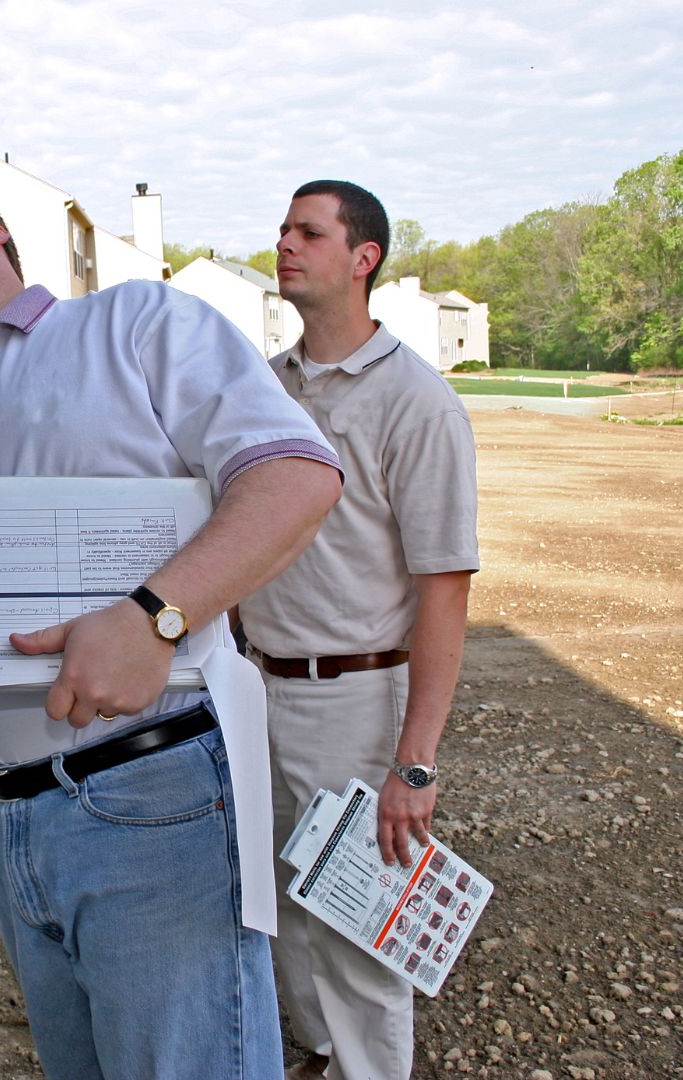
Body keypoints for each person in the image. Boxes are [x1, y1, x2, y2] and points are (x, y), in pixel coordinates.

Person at [0, 172, 344, 1079]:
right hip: (4, 819)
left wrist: (153, 618)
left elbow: (294, 476)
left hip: (155, 794)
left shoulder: (134, 325)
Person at [239, 181, 479, 1080]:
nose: (285, 245)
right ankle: (325, 1054)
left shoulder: (416, 403)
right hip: (257, 683)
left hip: (355, 697)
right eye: (282, 229)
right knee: (287, 903)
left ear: (363, 258)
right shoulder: (267, 388)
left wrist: (413, 763)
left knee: (359, 924)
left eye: (309, 232)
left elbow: (444, 589)